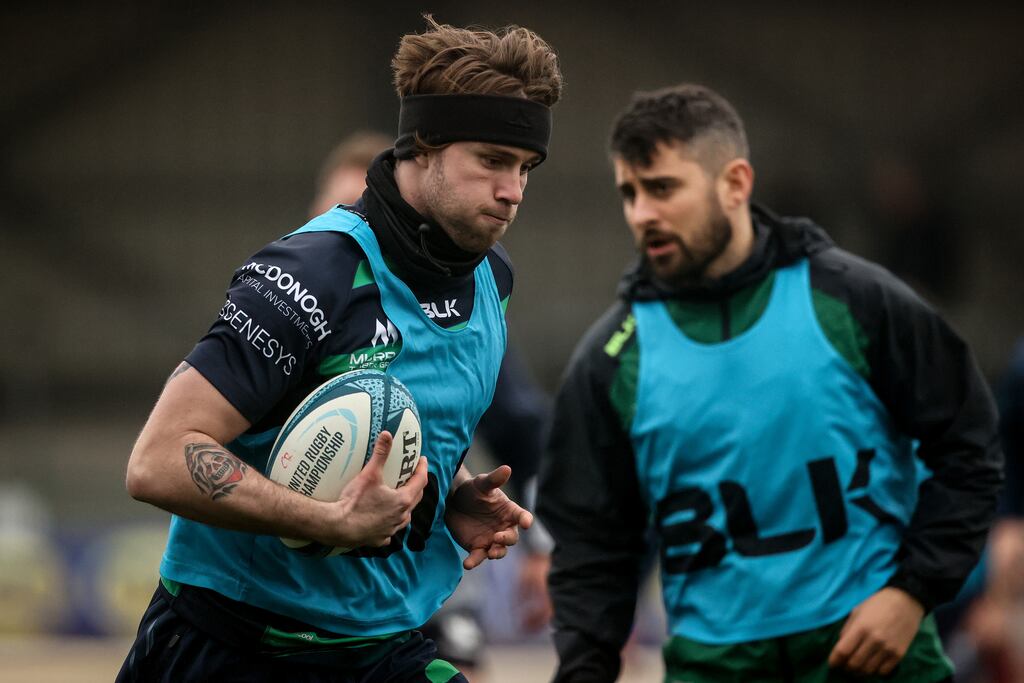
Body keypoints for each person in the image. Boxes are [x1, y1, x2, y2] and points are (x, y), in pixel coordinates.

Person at [118, 15, 562, 683]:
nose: (513, 191)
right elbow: (157, 460)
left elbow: (389, 427)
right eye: (493, 161)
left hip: (383, 648)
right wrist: (328, 518)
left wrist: (448, 495)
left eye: (525, 167)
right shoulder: (311, 274)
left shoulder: (492, 278)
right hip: (231, 646)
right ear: (424, 145)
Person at [537, 83, 1003, 682]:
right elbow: (590, 546)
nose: (641, 213)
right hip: (714, 666)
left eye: (662, 188)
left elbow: (969, 448)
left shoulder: (856, 302)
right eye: (629, 193)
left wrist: (912, 592)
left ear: (734, 184)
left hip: (876, 656)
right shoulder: (609, 361)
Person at [309, 130, 555, 680]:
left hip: (425, 586)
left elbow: (525, 428)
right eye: (337, 212)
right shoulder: (295, 306)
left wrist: (539, 541)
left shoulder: (459, 326)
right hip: (307, 597)